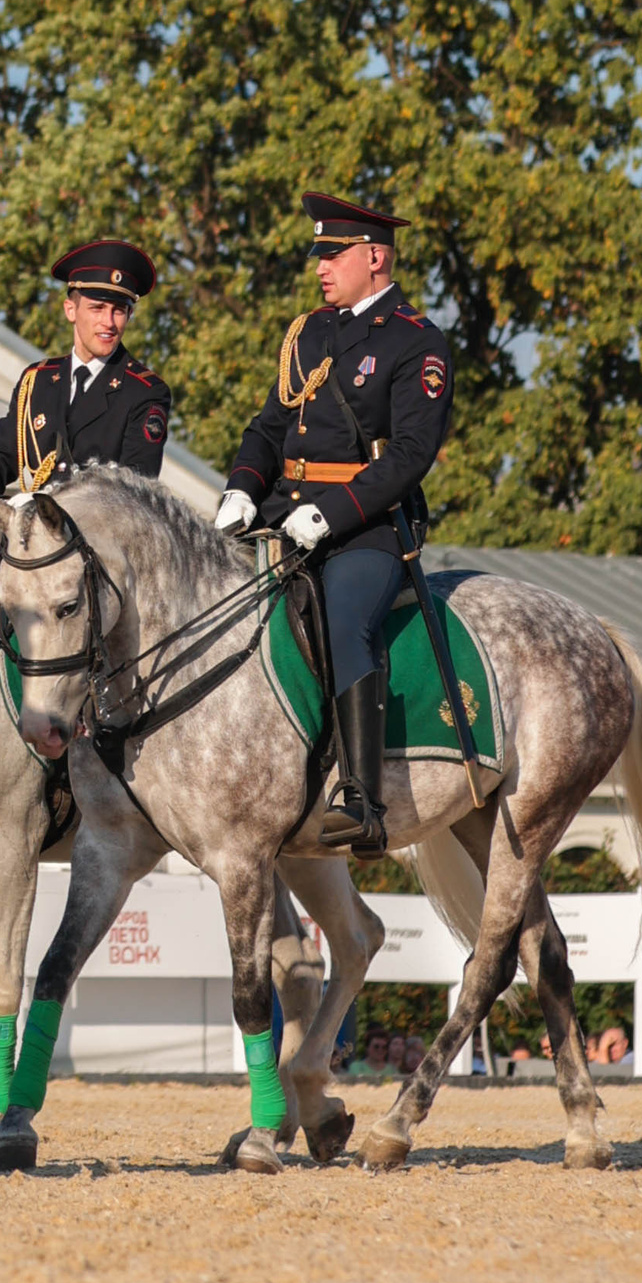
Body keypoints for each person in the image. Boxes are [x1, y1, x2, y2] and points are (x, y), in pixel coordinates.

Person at [213, 193, 453, 858]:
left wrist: (335, 508)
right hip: (281, 512)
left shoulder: (416, 341)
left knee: (344, 619)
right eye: (319, 252)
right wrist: (240, 486)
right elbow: (268, 426)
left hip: (366, 527)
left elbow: (409, 455)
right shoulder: (309, 333)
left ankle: (362, 799)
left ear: (373, 257)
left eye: (333, 253)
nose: (320, 265)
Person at [0, 241, 172, 521]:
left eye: (119, 310)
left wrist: (48, 502)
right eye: (97, 308)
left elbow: (134, 488)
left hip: (100, 550)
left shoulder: (144, 392)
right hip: (31, 542)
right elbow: (0, 450)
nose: (109, 322)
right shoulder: (38, 381)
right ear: (71, 310)